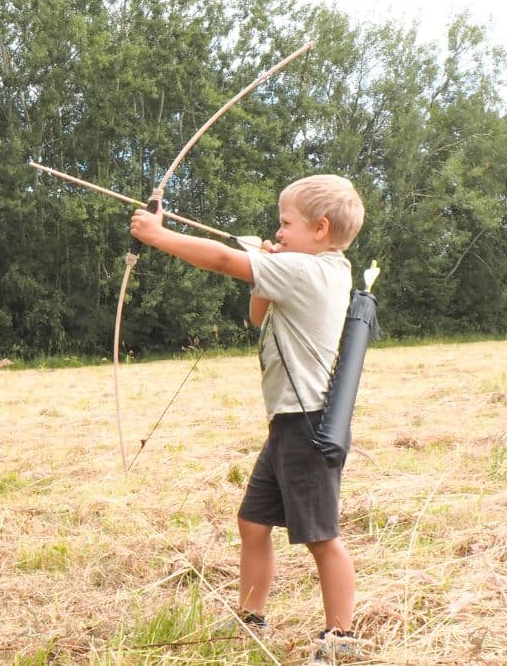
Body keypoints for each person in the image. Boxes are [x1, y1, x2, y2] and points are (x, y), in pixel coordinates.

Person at [129, 174, 365, 663]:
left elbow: (221, 259)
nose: (277, 233)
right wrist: (268, 267)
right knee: (253, 522)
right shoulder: (309, 268)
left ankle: (341, 638)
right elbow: (258, 316)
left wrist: (157, 235)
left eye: (285, 224)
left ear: (320, 228)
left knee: (321, 537)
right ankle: (252, 616)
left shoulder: (308, 272)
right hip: (287, 423)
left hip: (309, 425)